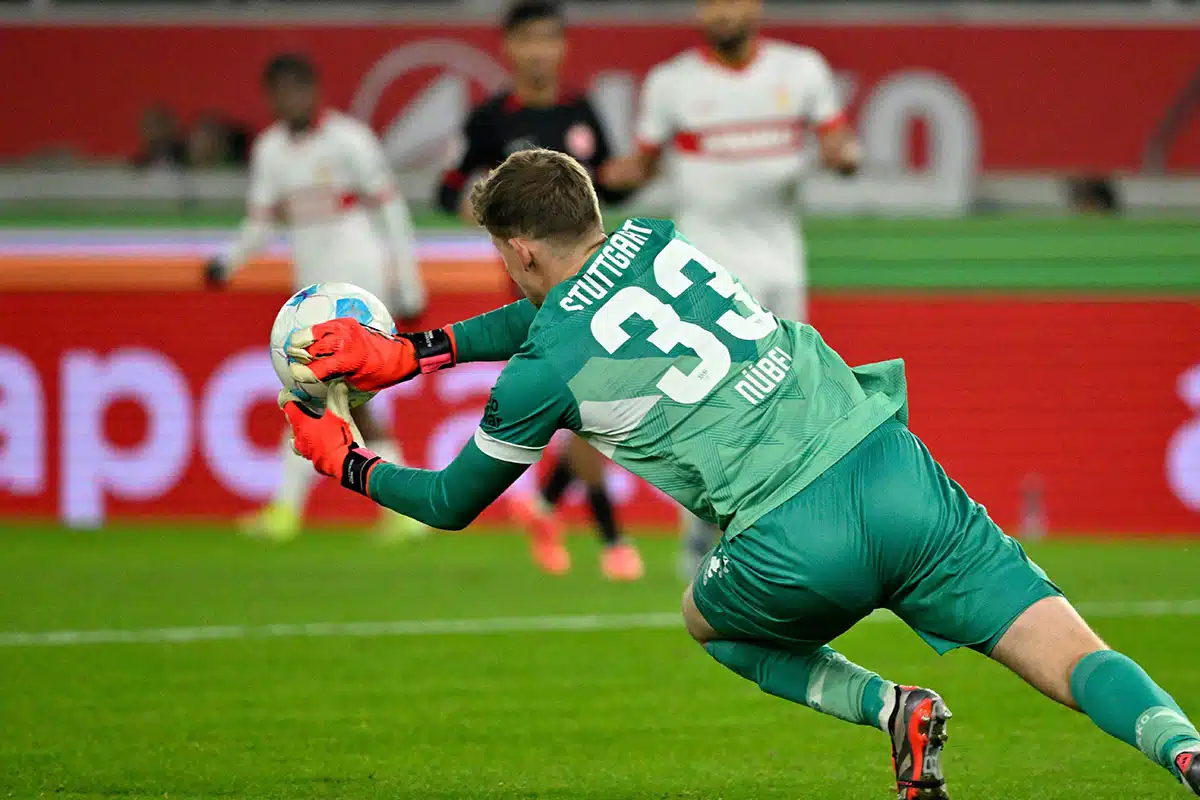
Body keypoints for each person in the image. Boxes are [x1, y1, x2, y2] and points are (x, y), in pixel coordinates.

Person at [278, 149, 1200, 799]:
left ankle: (892, 706)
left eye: (500, 254)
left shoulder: (540, 371)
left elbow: (448, 501)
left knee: (705, 621)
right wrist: (418, 351)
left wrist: (348, 462)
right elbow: (567, 310)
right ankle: (1186, 750)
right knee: (1076, 656)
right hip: (895, 470)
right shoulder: (658, 241)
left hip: (794, 538)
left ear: (518, 250)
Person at [599, 0, 862, 578]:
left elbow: (839, 142)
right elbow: (639, 167)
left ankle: (786, 539)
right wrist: (588, 178)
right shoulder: (672, 83)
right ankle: (703, 531)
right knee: (709, 403)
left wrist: (846, 157)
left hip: (780, 265)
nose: (720, 11)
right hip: (701, 267)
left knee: (789, 402)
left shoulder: (801, 71)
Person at [435, 0, 642, 581]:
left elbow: (603, 190)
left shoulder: (580, 110)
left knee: (592, 398)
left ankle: (548, 505)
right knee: (595, 393)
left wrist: (628, 180)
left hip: (596, 271)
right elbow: (445, 187)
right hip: (536, 281)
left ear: (562, 47)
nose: (539, 52)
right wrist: (485, 216)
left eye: (550, 40)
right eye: (528, 40)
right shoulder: (490, 120)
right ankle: (605, 534)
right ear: (510, 48)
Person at [206, 53, 428, 542]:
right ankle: (399, 509)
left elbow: (391, 212)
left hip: (357, 290)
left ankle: (292, 511)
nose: (290, 100)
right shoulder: (271, 151)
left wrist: (408, 283)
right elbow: (260, 223)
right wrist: (229, 262)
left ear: (313, 90)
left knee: (320, 392)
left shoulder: (349, 140)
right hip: (311, 293)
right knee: (334, 396)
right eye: (279, 92)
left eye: (296, 89)